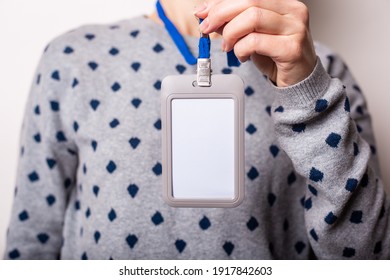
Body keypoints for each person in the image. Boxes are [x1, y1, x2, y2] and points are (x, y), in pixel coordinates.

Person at [4, 0, 389, 259]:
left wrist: (308, 92)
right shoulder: (74, 57)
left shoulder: (321, 70)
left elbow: (368, 255)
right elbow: (31, 240)